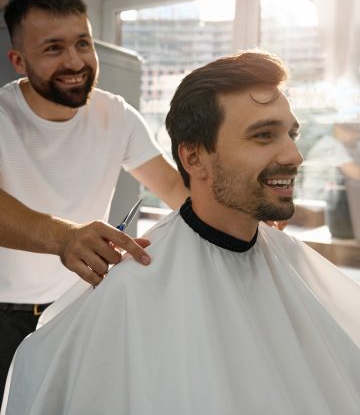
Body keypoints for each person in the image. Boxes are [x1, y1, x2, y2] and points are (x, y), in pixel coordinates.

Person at [2, 50, 360, 415]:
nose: (294, 155)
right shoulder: (133, 287)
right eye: (264, 135)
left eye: (291, 133)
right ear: (193, 158)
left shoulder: (291, 262)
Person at [0, 0, 189, 404]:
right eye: (53, 48)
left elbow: (175, 188)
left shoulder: (115, 114)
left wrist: (237, 209)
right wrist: (66, 237)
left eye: (82, 43)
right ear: (19, 61)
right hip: (3, 316)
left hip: (76, 307)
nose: (74, 61)